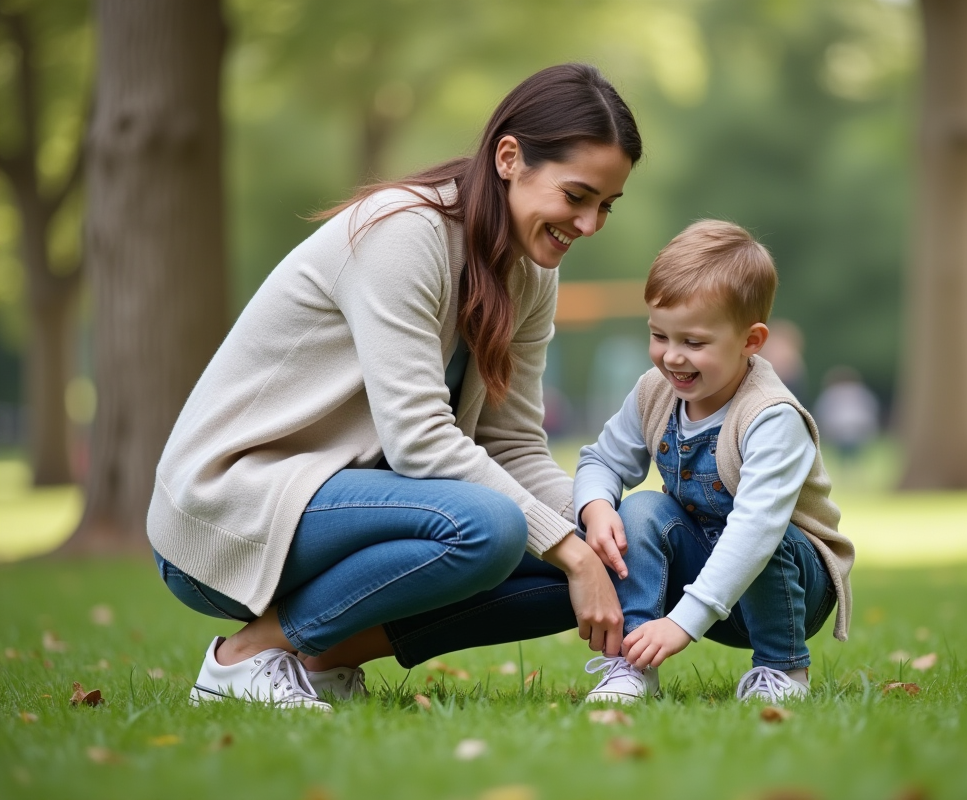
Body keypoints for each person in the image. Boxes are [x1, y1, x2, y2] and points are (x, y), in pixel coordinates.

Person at [147, 64, 640, 710]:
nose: (590, 224)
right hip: (229, 510)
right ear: (510, 157)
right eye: (577, 196)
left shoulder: (530, 273)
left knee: (587, 554)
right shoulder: (404, 233)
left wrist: (590, 522)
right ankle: (242, 659)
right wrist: (568, 548)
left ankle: (318, 661)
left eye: (605, 205)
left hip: (346, 512)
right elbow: (419, 442)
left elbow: (515, 446)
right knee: (492, 527)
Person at [572, 220, 854, 704]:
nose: (672, 357)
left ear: (751, 341)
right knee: (637, 512)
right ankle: (632, 665)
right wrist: (595, 506)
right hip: (703, 574)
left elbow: (755, 528)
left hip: (789, 587)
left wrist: (684, 622)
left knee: (768, 536)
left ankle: (782, 669)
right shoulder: (654, 391)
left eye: (694, 342)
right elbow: (602, 458)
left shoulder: (770, 415)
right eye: (659, 335)